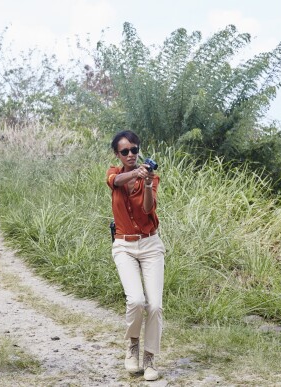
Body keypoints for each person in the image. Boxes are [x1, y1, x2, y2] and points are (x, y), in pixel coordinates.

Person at [106, 130, 165, 381]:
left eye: (134, 150)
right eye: (125, 151)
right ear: (117, 154)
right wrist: (135, 172)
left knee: (155, 305)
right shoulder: (114, 173)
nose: (131, 154)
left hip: (150, 244)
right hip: (124, 245)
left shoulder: (149, 178)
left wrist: (148, 183)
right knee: (136, 300)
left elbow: (149, 208)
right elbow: (117, 182)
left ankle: (150, 357)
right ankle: (132, 345)